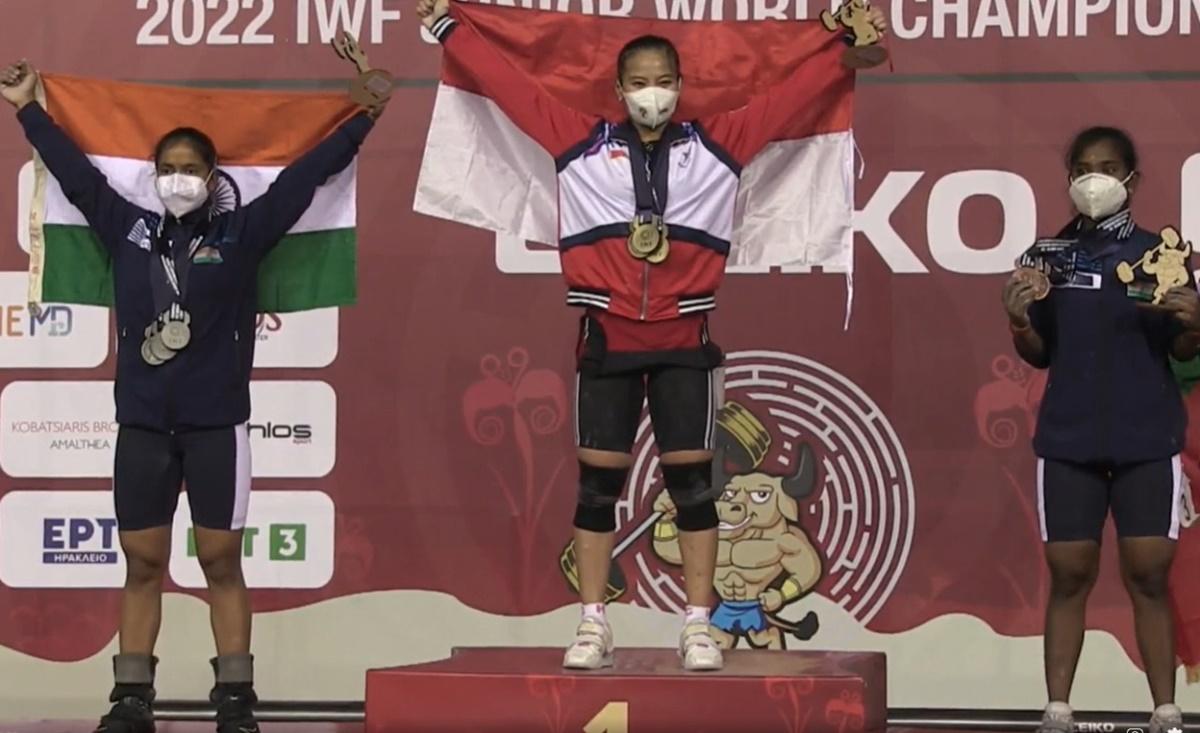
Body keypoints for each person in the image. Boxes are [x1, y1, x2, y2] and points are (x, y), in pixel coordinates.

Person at [415, 0, 887, 672]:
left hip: (685, 342)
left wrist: (840, 38)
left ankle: (697, 626)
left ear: (680, 85)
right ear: (617, 90)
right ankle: (591, 623)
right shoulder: (576, 141)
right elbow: (509, 85)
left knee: (693, 487)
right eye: (637, 81)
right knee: (594, 491)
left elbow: (793, 93)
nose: (651, 92)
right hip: (604, 338)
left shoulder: (720, 144)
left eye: (661, 78)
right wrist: (450, 28)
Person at [0, 60, 382, 733]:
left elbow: (303, 178)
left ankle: (235, 703)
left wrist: (364, 119)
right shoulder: (127, 229)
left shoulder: (243, 234)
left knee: (219, 560)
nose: (178, 177)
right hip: (143, 426)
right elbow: (75, 175)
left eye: (191, 167)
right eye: (168, 166)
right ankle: (131, 700)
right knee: (142, 562)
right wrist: (28, 107)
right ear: (153, 175)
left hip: (216, 428)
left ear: (212, 180)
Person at [1003, 127, 1200, 733]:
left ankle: (1166, 712)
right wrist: (1017, 321)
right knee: (1069, 575)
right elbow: (1039, 353)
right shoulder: (1046, 260)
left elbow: (1184, 351)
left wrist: (1195, 321)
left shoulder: (1162, 259)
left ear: (1133, 180)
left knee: (1146, 573)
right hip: (1068, 440)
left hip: (1147, 437)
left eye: (1109, 167)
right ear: (1069, 180)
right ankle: (1058, 710)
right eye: (1084, 168)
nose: (1096, 180)